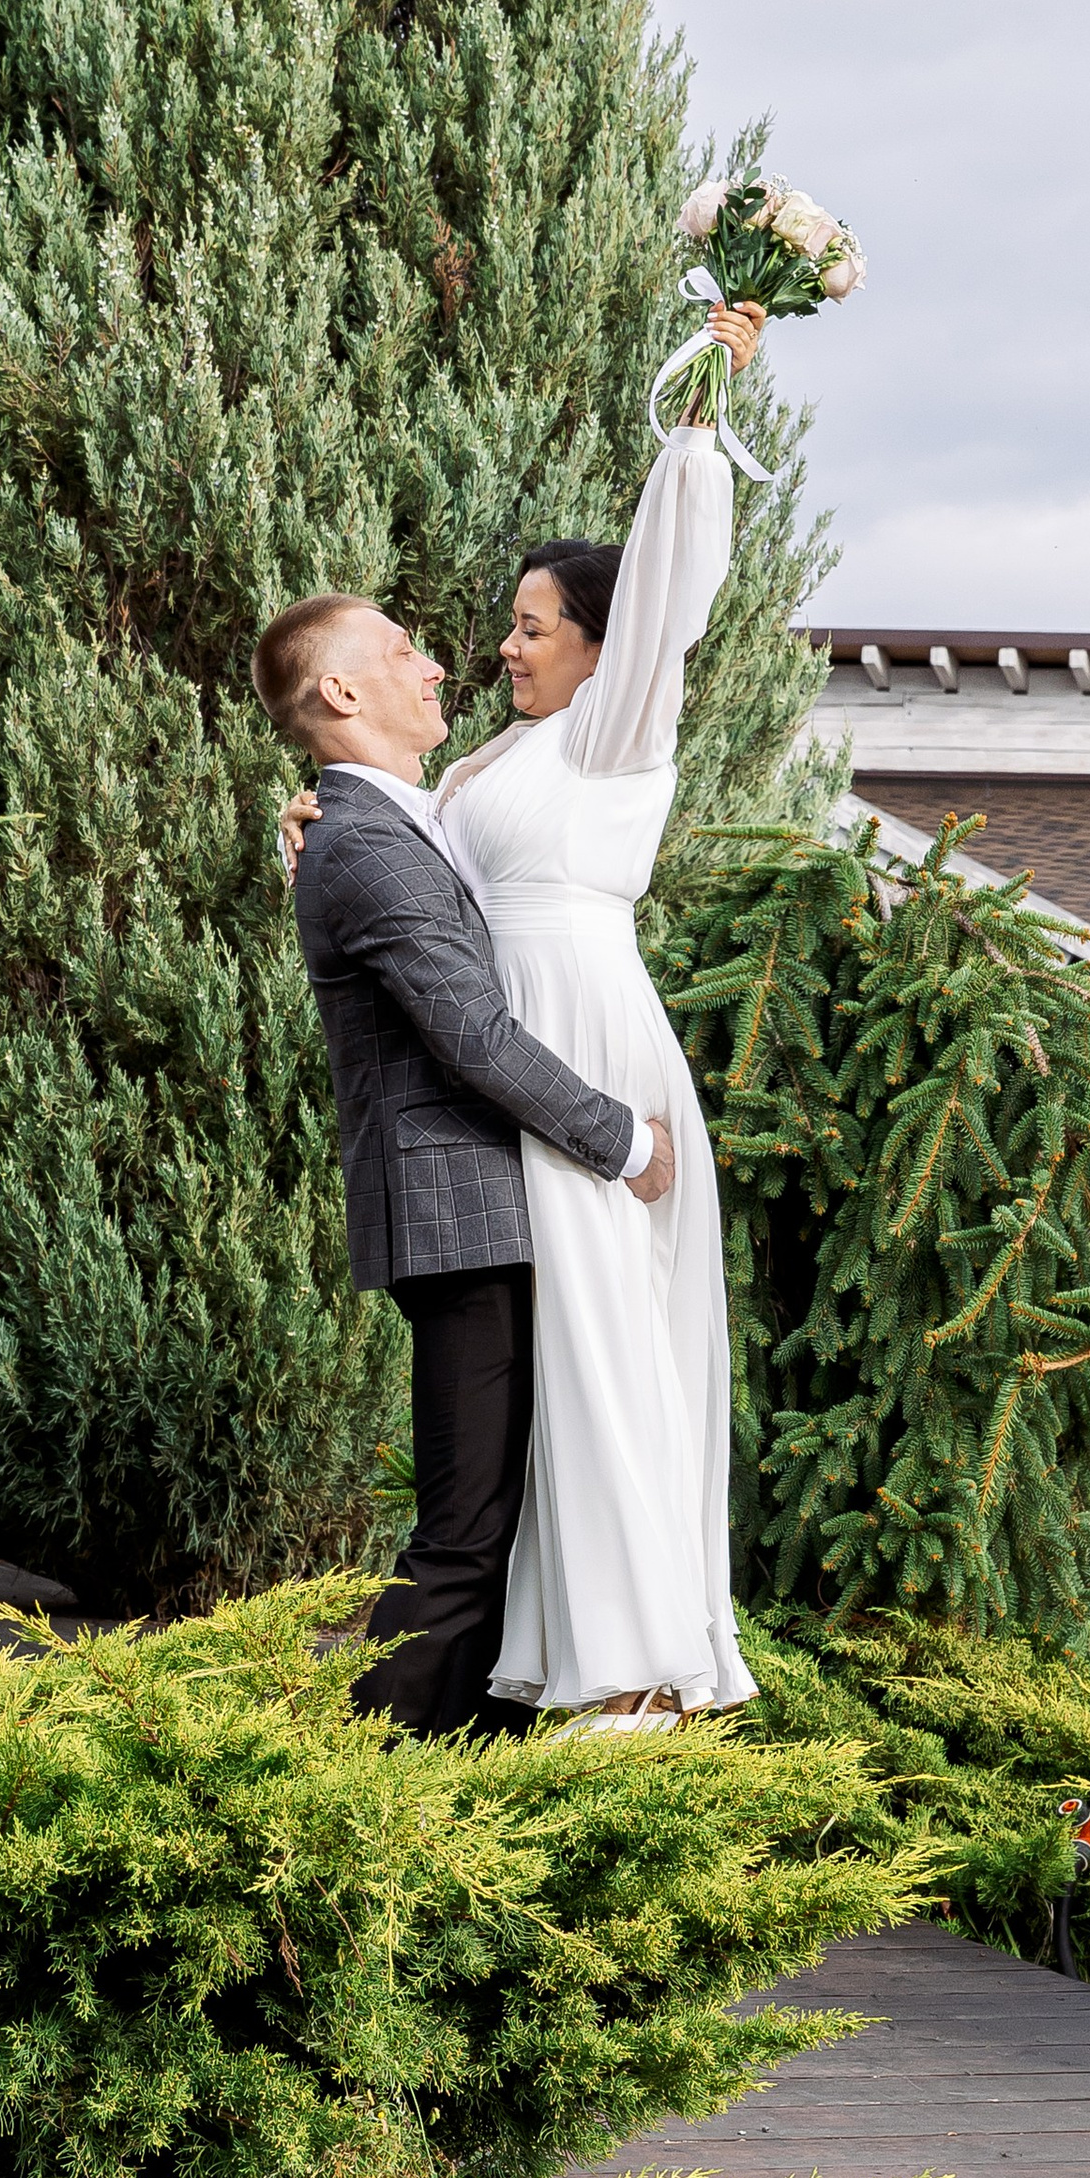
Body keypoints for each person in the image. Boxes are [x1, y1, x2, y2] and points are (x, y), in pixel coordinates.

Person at [278, 299, 768, 1727]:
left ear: (606, 648)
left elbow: (669, 591)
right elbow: (406, 859)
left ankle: (635, 1673)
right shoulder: (487, 761)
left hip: (583, 1048)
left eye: (532, 625)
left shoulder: (618, 727)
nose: (500, 646)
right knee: (552, 1391)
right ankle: (544, 1677)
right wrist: (311, 827)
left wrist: (699, 423)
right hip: (518, 1075)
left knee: (613, 1362)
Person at [249, 590, 675, 1739]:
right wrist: (626, 1142)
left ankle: (469, 1773)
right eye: (402, 651)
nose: (436, 665)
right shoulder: (362, 845)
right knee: (466, 1533)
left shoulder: (391, 821)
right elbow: (474, 1038)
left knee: (502, 1523)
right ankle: (350, 1776)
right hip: (462, 1220)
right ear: (342, 690)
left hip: (493, 1210)